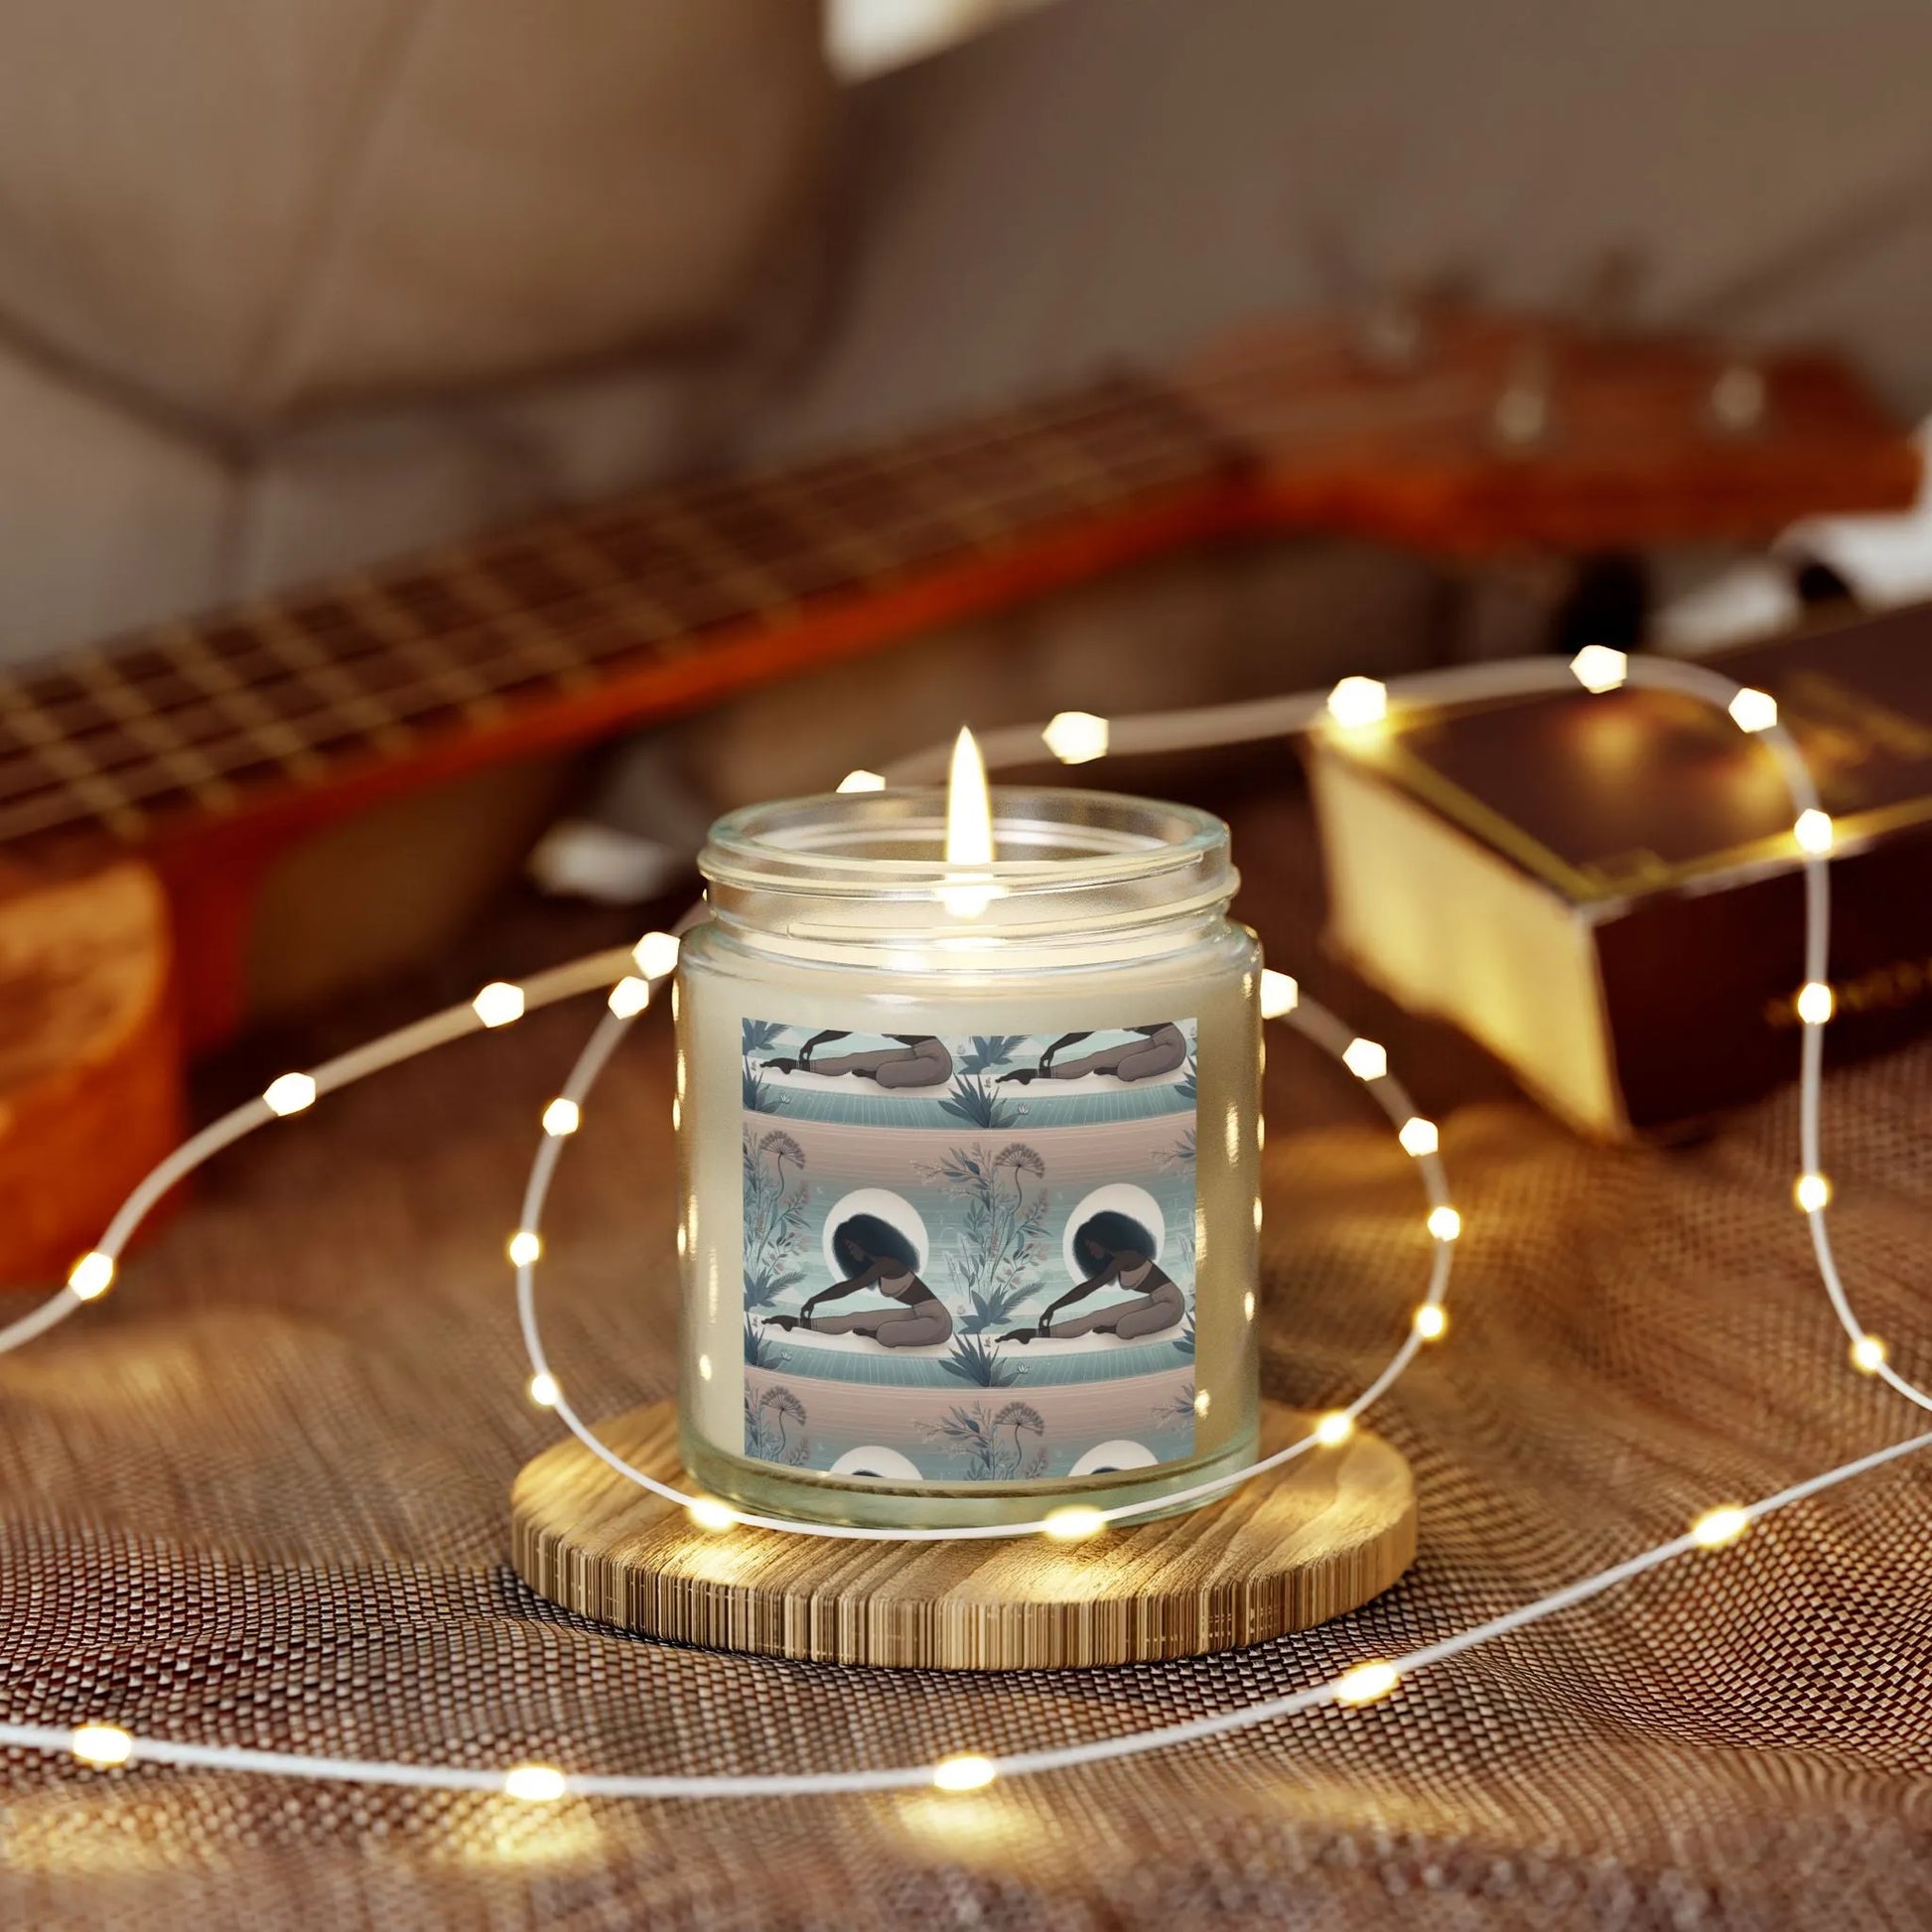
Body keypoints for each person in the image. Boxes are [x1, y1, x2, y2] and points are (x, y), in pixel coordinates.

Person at [765, 1211, 953, 1347]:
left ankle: (875, 1334)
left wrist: (814, 1299)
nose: (849, 1252)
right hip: (917, 1314)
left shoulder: (887, 1264)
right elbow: (850, 1286)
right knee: (855, 1318)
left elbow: (848, 1287)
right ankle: (795, 1323)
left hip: (939, 1322)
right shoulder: (877, 1266)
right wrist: (813, 1301)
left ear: (862, 1241)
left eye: (850, 1246)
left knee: (886, 1334)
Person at [1000, 1207, 1184, 1343]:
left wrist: (1053, 1307)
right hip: (1155, 1300)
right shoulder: (1116, 1261)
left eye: (1090, 1245)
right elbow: (1087, 1289)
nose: (1090, 1251)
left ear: (1101, 1240)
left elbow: (1087, 1289)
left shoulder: (1126, 1257)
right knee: (1094, 1317)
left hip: (1172, 1304)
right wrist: (1053, 1307)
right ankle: (1032, 1334)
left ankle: (1115, 1327)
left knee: (1125, 1328)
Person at [998, 1024, 1185, 1085]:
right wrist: (1053, 1048)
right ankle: (1032, 1074)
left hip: (1174, 1046)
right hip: (1156, 1041)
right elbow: (1085, 1031)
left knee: (1126, 1071)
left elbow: (1084, 1032)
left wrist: (1053, 1047)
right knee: (1095, 1058)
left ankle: (1114, 1069)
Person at [762, 1031, 954, 1089]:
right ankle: (792, 1064)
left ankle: (871, 1073)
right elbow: (844, 1030)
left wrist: (813, 1041)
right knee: (855, 1059)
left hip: (938, 1062)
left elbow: (843, 1030)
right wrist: (813, 1041)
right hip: (921, 1052)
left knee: (885, 1075)